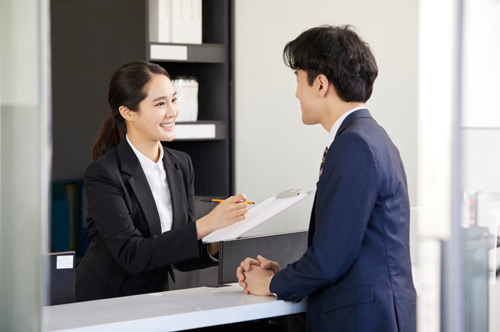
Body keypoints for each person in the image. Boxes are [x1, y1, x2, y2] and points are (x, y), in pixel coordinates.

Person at [236, 25, 416, 331]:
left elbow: (331, 259)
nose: (295, 93)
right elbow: (345, 248)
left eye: (297, 81)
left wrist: (272, 282)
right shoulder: (371, 137)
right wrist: (286, 273)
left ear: (320, 84)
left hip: (363, 320)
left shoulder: (355, 144)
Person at [76, 60, 248, 302]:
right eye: (160, 103)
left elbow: (179, 254)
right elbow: (131, 255)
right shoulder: (103, 174)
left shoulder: (181, 164)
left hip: (154, 297)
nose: (173, 111)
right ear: (128, 112)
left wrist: (215, 242)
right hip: (106, 301)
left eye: (174, 99)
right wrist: (207, 223)